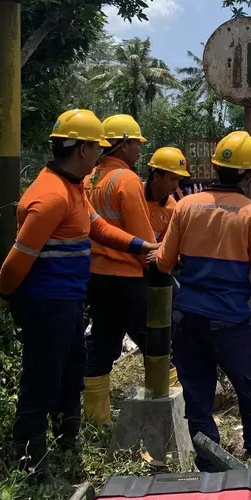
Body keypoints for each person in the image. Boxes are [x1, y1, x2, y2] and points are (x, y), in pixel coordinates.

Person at [0, 109, 157, 485]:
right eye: (95, 148)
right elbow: (18, 259)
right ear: (82, 148)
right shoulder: (51, 196)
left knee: (71, 370)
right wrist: (6, 295)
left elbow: (97, 228)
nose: (99, 155)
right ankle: (32, 465)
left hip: (68, 300)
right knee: (43, 378)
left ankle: (67, 439)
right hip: (45, 303)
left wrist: (141, 245)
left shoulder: (73, 187)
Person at [152, 130, 251, 473]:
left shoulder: (186, 206)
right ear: (248, 175)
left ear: (216, 167)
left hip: (187, 320)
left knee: (199, 401)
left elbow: (163, 262)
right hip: (230, 325)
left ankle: (211, 469)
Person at [82, 114, 157, 424]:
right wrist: (157, 265)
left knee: (102, 342)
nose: (139, 151)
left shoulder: (89, 178)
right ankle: (163, 411)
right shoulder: (126, 180)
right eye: (136, 145)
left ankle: (97, 417)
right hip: (127, 277)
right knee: (156, 342)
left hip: (95, 276)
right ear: (124, 144)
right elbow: (143, 236)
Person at [145, 147, 190, 242]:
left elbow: (164, 244)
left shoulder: (172, 208)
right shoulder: (135, 194)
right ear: (157, 177)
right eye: (173, 179)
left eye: (179, 179)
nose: (176, 184)